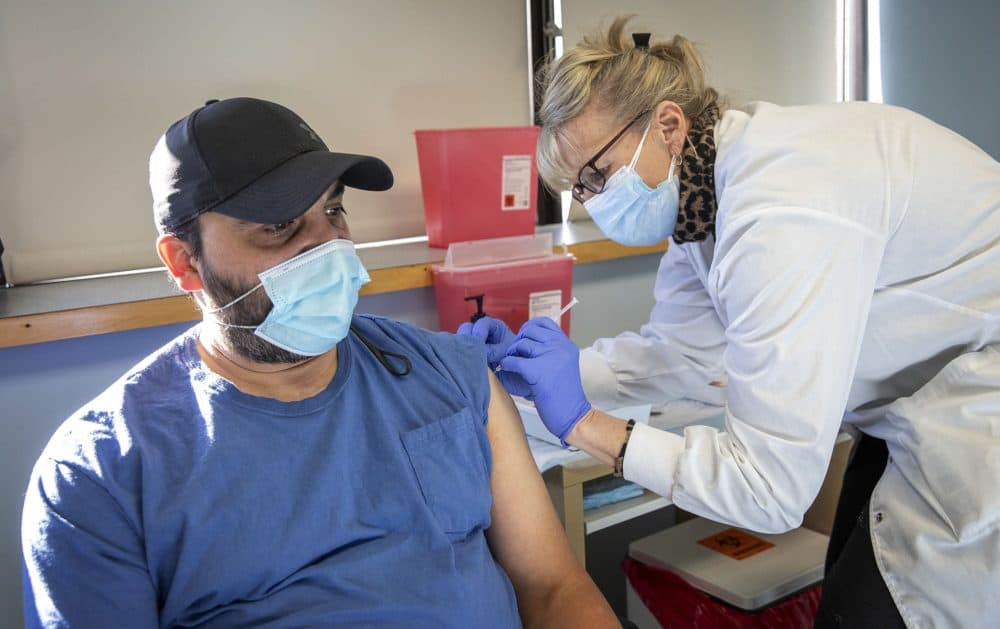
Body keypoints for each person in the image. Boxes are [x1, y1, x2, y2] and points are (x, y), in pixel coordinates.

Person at [461, 17, 1000, 628]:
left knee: (881, 609)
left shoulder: (781, 207)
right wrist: (550, 373)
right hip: (910, 405)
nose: (592, 202)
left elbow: (769, 491)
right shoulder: (704, 199)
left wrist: (587, 426)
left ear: (667, 125)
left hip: (976, 412)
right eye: (577, 191)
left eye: (596, 176)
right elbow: (681, 354)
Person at [20, 97, 620, 629]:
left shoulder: (450, 375)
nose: (326, 248)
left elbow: (554, 589)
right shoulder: (101, 474)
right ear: (184, 262)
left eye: (332, 212)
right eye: (279, 226)